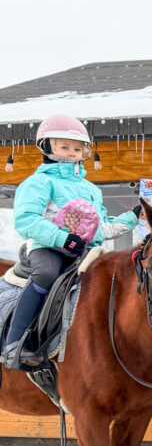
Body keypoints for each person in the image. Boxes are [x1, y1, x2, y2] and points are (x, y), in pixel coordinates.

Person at [3, 114, 139, 366]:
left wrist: (132, 218)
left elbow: (100, 228)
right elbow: (26, 219)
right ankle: (15, 342)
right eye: (64, 147)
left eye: (77, 148)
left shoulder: (91, 189)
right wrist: (62, 239)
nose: (72, 153)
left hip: (85, 251)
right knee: (45, 274)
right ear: (47, 147)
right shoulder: (38, 182)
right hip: (48, 249)